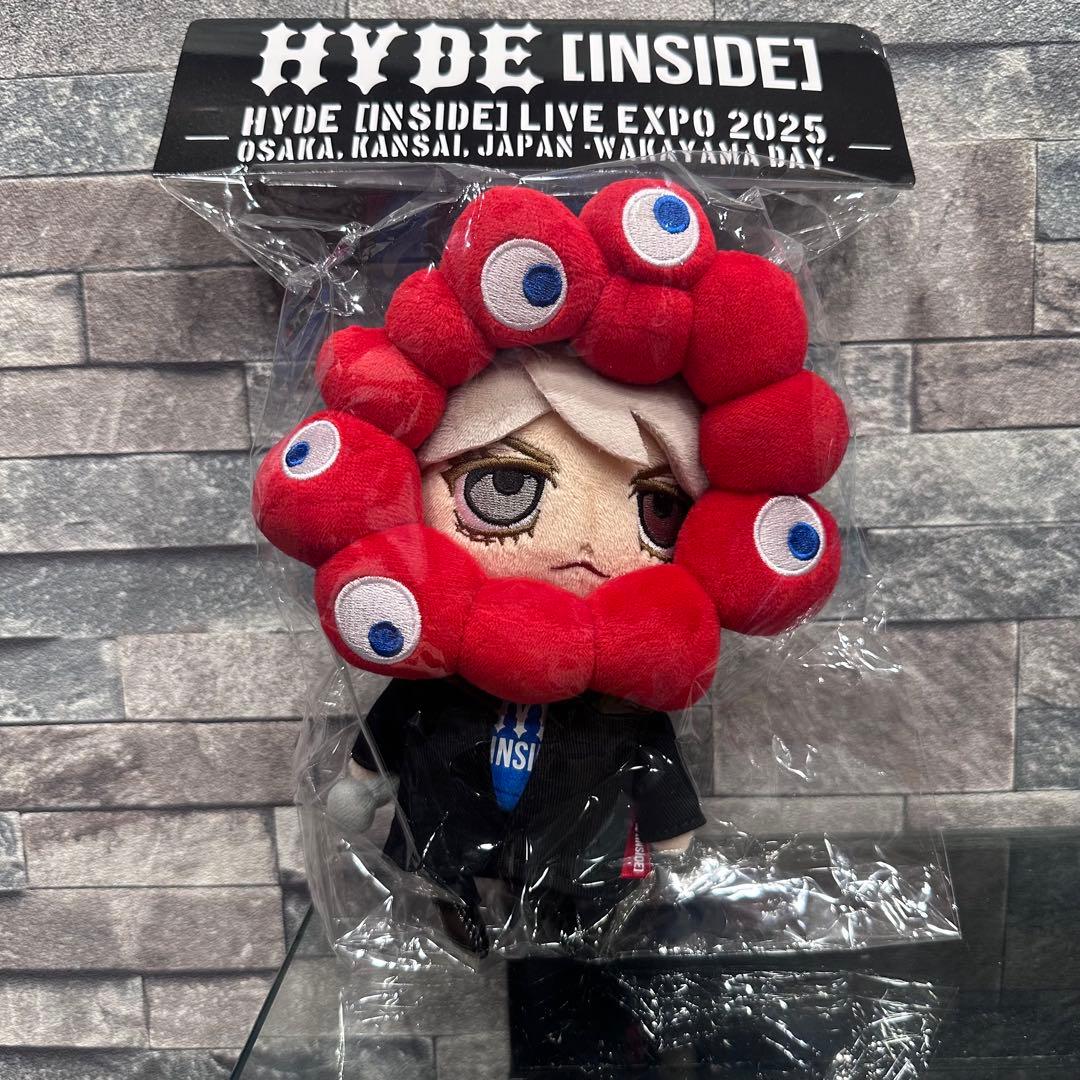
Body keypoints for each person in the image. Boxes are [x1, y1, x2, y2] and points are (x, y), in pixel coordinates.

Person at [327, 347, 707, 956]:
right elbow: (394, 719)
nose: (584, 544)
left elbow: (652, 756)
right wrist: (365, 782)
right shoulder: (438, 670)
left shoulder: (621, 695)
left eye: (658, 509)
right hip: (451, 817)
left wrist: (669, 830)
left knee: (577, 888)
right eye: (505, 485)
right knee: (439, 852)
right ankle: (452, 900)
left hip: (572, 834)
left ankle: (566, 921)